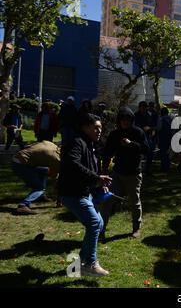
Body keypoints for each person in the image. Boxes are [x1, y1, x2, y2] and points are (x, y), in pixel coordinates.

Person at [58, 113, 112, 277]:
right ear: (84, 127)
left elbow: (87, 170)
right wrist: (96, 178)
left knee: (99, 223)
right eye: (95, 127)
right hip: (72, 193)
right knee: (95, 223)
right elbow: (72, 164)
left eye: (100, 128)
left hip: (84, 192)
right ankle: (90, 264)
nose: (99, 131)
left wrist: (98, 184)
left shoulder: (89, 144)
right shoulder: (77, 142)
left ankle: (79, 261)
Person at [100, 107, 149, 240]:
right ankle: (101, 229)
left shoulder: (138, 132)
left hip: (134, 173)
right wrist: (104, 169)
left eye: (128, 119)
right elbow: (107, 152)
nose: (125, 122)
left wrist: (131, 144)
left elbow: (146, 149)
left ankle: (136, 228)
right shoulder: (114, 134)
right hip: (117, 173)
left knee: (134, 202)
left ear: (132, 120)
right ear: (119, 121)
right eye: (123, 119)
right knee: (107, 200)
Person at [11, 141, 60, 215]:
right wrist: (59, 199)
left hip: (17, 157)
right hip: (20, 164)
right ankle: (23, 205)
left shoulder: (51, 144)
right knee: (39, 187)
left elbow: (31, 146)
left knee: (45, 170)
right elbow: (55, 180)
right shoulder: (56, 159)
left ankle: (40, 196)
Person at [134, 101, 154, 175]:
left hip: (147, 136)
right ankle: (138, 169)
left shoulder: (148, 115)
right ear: (140, 107)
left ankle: (148, 170)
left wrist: (151, 129)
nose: (144, 109)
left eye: (145, 107)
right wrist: (142, 128)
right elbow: (134, 126)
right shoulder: (136, 115)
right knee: (138, 154)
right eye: (143, 107)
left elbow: (151, 124)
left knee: (150, 154)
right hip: (138, 137)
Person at [157, 107, 173, 172]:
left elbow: (159, 128)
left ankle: (164, 167)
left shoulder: (161, 119)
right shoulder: (171, 119)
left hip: (162, 138)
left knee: (163, 153)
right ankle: (168, 166)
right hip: (170, 138)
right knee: (168, 153)